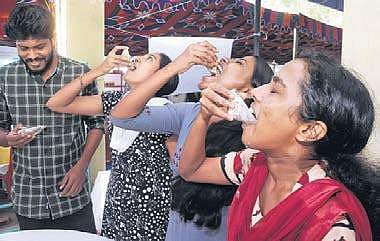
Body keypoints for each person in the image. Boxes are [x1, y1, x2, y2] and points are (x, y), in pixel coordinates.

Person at [179, 52, 377, 240]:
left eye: (274, 90)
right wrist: (203, 117)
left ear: (310, 130)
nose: (255, 92)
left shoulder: (330, 225)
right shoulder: (253, 164)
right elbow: (191, 170)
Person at [46, 43, 214, 240]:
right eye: (142, 55)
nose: (138, 58)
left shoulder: (165, 111)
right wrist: (102, 69)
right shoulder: (116, 100)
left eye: (149, 59)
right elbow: (56, 103)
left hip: (151, 211)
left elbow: (179, 167)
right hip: (117, 203)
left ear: (160, 77)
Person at [110, 44, 274, 241]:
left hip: (217, 231)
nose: (226, 61)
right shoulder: (191, 111)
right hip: (176, 224)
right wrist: (175, 66)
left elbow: (191, 171)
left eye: (239, 62)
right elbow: (121, 117)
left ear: (250, 90)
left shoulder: (253, 131)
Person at [0, 4, 104, 232]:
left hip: (73, 194)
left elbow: (97, 123)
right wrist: (9, 139)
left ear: (53, 39)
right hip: (29, 198)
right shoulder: (5, 77)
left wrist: (82, 166)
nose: (32, 55)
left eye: (39, 46)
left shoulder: (78, 72)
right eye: (23, 48)